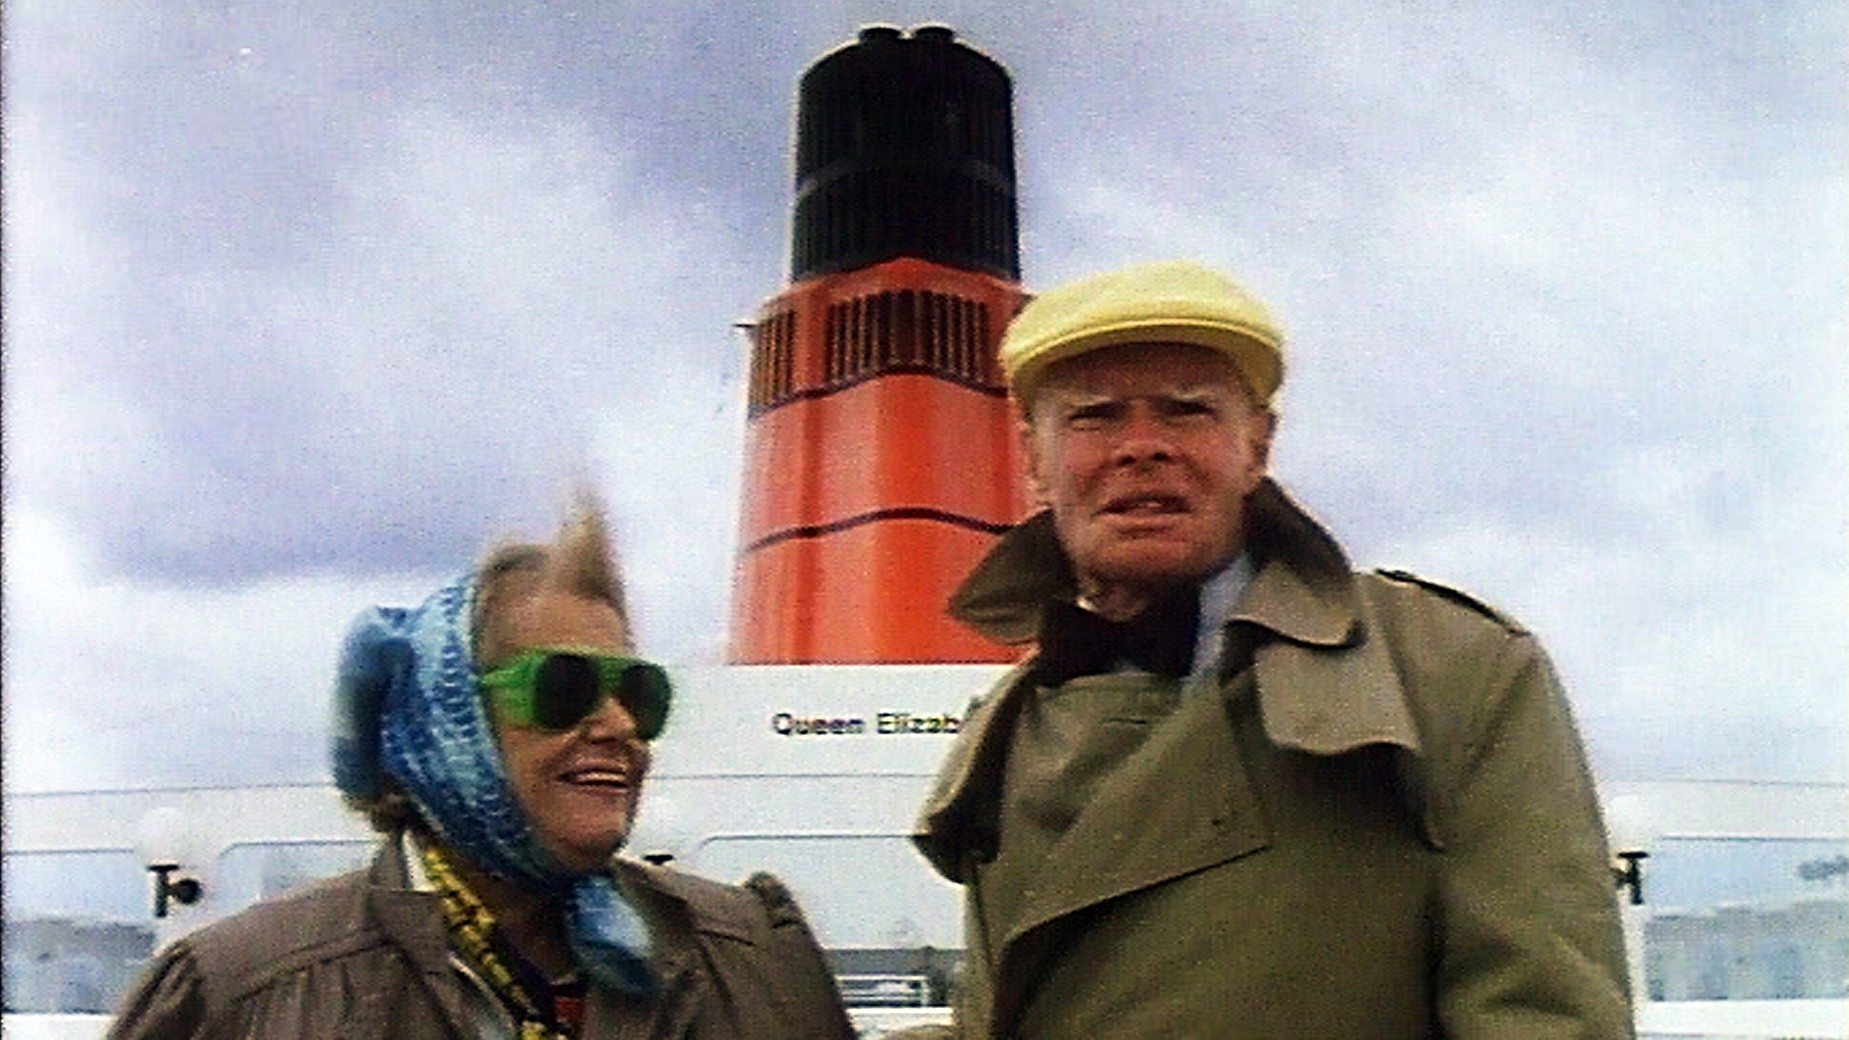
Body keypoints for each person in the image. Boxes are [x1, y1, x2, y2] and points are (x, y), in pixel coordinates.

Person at [907, 260, 1633, 1037]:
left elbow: (1546, 1019)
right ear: (1033, 462)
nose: (1141, 446)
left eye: (1186, 410)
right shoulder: (1008, 721)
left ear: (1256, 445)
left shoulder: (1453, 673)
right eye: (1095, 416)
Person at [109, 499, 857, 1039]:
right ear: (447, 727)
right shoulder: (238, 997)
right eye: (563, 687)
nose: (620, 725)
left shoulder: (755, 959)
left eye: (638, 692)